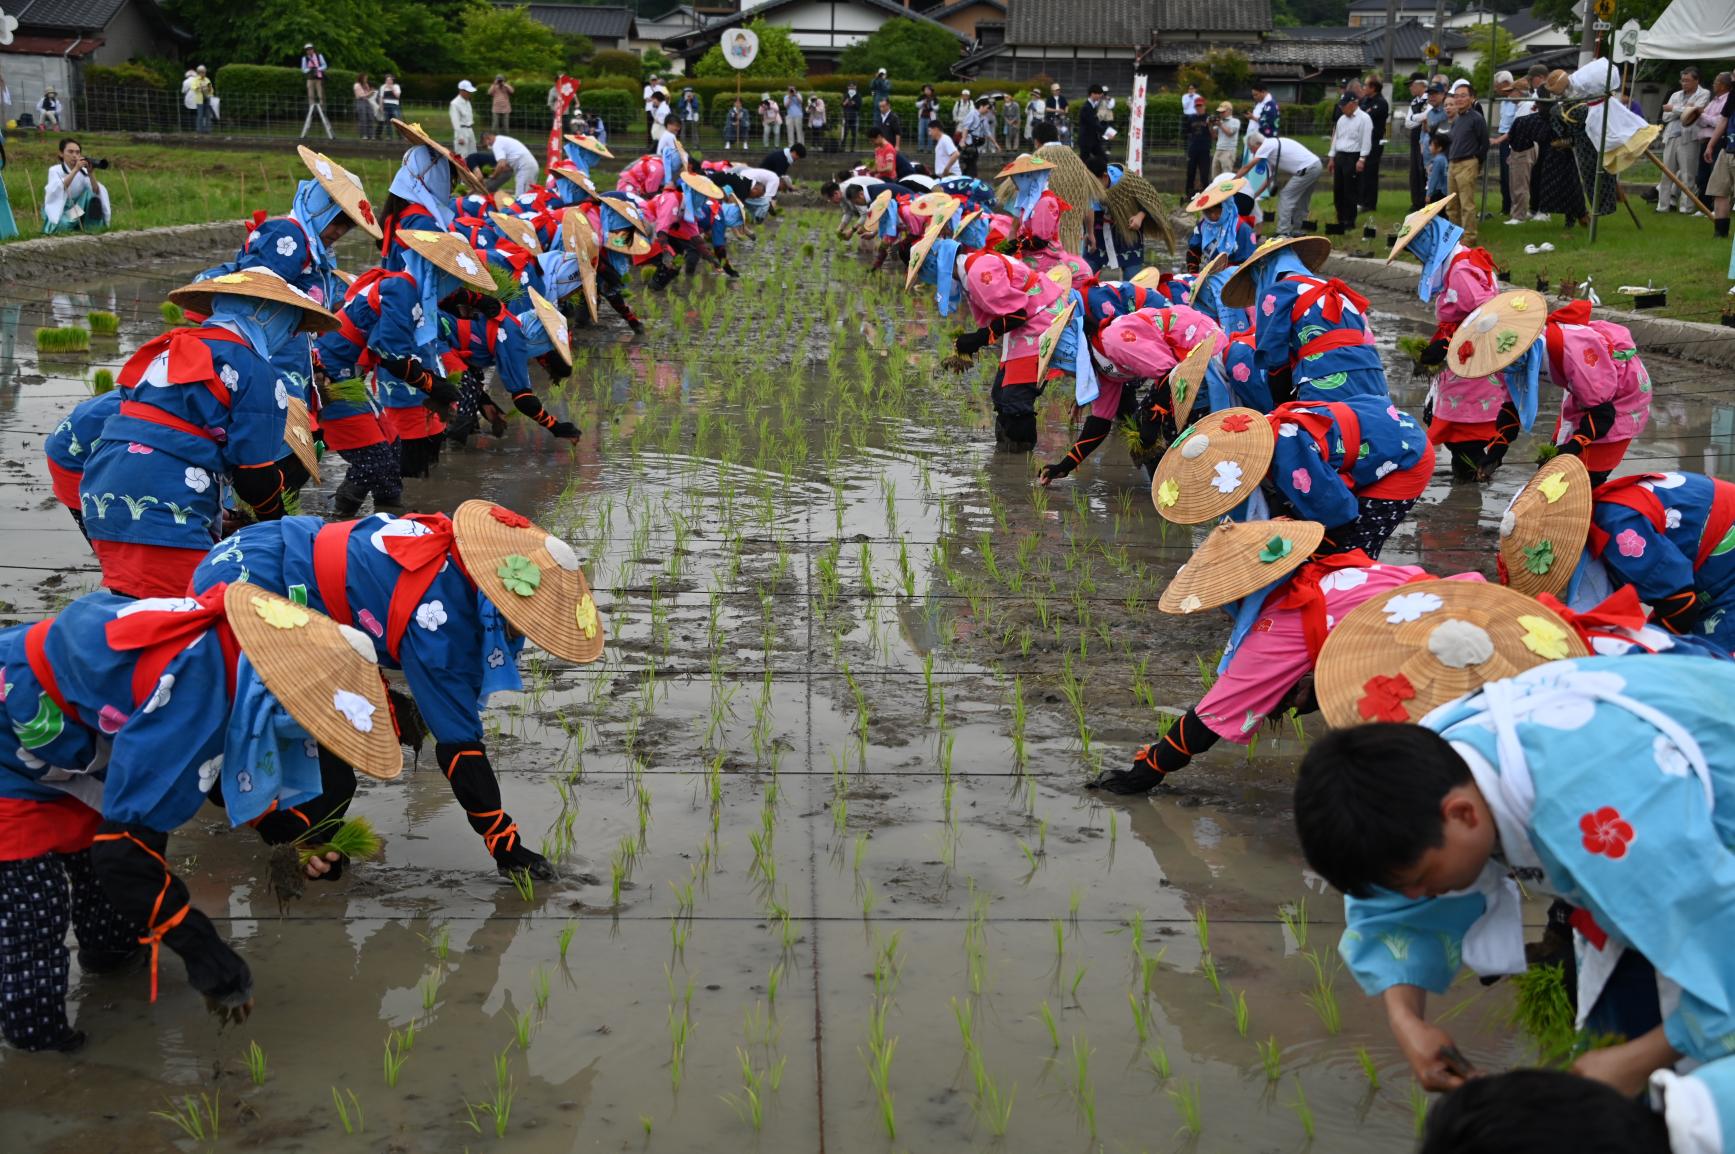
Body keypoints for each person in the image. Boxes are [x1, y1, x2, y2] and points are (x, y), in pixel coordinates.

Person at [1294, 651, 1735, 1097]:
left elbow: (1723, 941)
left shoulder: (1604, 817)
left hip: (1698, 852)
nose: (1416, 896)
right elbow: (1389, 901)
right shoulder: (1422, 766)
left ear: (1463, 814)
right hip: (1658, 860)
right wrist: (1406, 1019)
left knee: (1699, 1094)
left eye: (1421, 879)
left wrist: (1637, 1062)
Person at [0, 583, 399, 1047]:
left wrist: (291, 838)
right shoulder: (197, 692)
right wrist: (202, 949)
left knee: (106, 901)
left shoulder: (239, 657)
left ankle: (111, 968)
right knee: (34, 907)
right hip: (15, 726)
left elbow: (201, 773)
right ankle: (47, 1060)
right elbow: (125, 857)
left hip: (77, 741)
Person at [190, 501, 603, 892]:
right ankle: (250, 807)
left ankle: (231, 780)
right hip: (261, 593)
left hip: (254, 545)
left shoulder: (453, 552)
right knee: (328, 784)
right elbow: (461, 749)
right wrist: (505, 845)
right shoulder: (441, 629)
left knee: (336, 741)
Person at [1090, 520, 1462, 795]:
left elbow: (1211, 716)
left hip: (1437, 649)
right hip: (1465, 604)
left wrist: (1149, 768)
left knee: (1435, 753)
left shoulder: (1281, 623)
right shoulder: (1337, 569)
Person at [77, 270, 335, 597]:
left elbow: (154, 428)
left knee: (132, 605)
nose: (292, 336)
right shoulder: (256, 370)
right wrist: (274, 525)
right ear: (266, 314)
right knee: (182, 618)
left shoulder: (165, 348)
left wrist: (216, 510)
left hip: (103, 487)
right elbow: (254, 476)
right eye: (292, 326)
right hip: (165, 497)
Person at [1236, 130, 1322, 237]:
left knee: (1286, 195)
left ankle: (1283, 232)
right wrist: (1254, 195)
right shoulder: (1272, 150)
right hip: (1315, 165)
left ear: (1258, 144)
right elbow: (1269, 179)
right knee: (1302, 200)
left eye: (1251, 149)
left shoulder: (1266, 145)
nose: (1253, 153)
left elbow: (1247, 167)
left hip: (1308, 168)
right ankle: (1297, 230)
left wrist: (1233, 180)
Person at [1657, 68, 1710, 213]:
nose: (1684, 83)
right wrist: (1684, 110)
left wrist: (1674, 108)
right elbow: (1665, 117)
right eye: (1682, 80)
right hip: (1672, 136)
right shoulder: (1675, 94)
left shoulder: (1704, 93)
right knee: (1666, 173)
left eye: (1687, 80)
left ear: (1696, 80)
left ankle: (1686, 208)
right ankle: (1662, 206)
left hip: (1689, 138)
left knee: (1688, 174)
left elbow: (1694, 112)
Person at [41, 138, 110, 234]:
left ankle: (92, 226)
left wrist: (90, 174)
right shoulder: (55, 170)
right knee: (62, 225)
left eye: (77, 153)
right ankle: (74, 225)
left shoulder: (83, 172)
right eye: (70, 152)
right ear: (61, 154)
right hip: (61, 209)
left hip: (78, 209)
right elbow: (60, 188)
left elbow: (96, 191)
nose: (74, 155)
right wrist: (76, 169)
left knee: (90, 194)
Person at [1446, 85, 1487, 244]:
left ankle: (1470, 237)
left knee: (1466, 204)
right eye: (1456, 96)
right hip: (1453, 164)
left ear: (1471, 98)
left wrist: (1476, 163)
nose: (1459, 99)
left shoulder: (1477, 118)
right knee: (1451, 205)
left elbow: (1484, 144)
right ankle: (1454, 237)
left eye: (1463, 95)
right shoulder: (1457, 119)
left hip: (1468, 163)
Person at [1327, 93, 1373, 230]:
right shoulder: (1341, 119)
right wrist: (1331, 157)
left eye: (1344, 106)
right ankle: (1340, 218)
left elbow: (1366, 139)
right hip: (1340, 155)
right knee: (1338, 189)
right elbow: (1336, 138)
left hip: (1353, 155)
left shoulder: (1364, 119)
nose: (1342, 109)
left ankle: (1349, 220)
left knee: (1350, 189)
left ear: (1353, 104)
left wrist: (1362, 158)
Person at [1504, 79, 1538, 223]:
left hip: (1522, 149)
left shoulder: (1525, 107)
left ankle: (1518, 216)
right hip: (1525, 148)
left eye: (1511, 91)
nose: (1508, 95)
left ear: (1519, 92)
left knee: (1519, 183)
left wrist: (1502, 142)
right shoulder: (1527, 106)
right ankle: (1523, 211)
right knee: (1522, 182)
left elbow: (1517, 132)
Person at [1703, 95, 1735, 238]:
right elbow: (1724, 120)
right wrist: (1711, 145)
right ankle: (1720, 233)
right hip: (1727, 149)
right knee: (1719, 190)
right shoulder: (1733, 95)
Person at [1698, 72, 1731, 202]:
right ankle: (1703, 204)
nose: (1713, 85)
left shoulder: (1728, 100)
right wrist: (1704, 117)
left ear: (1723, 85)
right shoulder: (1714, 100)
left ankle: (1714, 205)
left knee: (1715, 174)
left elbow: (1719, 122)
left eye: (1716, 82)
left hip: (1718, 141)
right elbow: (1700, 121)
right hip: (1706, 140)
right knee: (1702, 175)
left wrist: (1703, 116)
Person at [1359, 76, 1389, 212]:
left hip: (1374, 142)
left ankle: (1370, 204)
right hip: (1362, 142)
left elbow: (1366, 117)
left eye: (1366, 85)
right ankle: (1360, 200)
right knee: (1361, 173)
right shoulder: (1365, 101)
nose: (1363, 88)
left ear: (1373, 88)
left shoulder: (1381, 103)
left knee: (1370, 172)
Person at [482, 131, 538, 195]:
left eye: (487, 144)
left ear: (488, 138)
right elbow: (507, 167)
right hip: (529, 165)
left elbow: (501, 165)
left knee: (521, 196)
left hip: (525, 167)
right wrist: (495, 170)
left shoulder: (496, 144)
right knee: (528, 195)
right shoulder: (501, 140)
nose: (489, 147)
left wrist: (493, 176)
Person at [1403, 77, 1429, 210]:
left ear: (1421, 85)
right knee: (1414, 171)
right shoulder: (1414, 102)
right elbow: (1408, 123)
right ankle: (1416, 201)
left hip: (1425, 138)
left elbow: (1427, 116)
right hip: (1414, 138)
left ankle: (1426, 201)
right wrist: (1417, 118)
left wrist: (1415, 118)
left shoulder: (1428, 99)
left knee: (1424, 170)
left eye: (1412, 85)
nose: (1410, 88)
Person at [1077, 84, 1108, 165]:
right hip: (1086, 140)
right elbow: (1093, 123)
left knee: (1103, 158)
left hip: (1093, 140)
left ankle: (1096, 176)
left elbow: (1096, 122)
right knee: (1084, 163)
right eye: (1098, 94)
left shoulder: (1092, 106)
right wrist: (1106, 132)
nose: (1100, 96)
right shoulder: (1086, 107)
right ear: (1092, 94)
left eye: (1101, 94)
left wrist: (1106, 131)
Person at [1184, 114, 1213, 198]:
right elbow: (1188, 132)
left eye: (1200, 106)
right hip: (1193, 149)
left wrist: (1210, 124)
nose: (1199, 108)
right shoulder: (1191, 118)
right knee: (1190, 172)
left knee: (1204, 173)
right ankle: (1189, 193)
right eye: (1197, 106)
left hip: (1204, 149)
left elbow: (1212, 133)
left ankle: (1205, 193)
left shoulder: (1208, 118)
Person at [1212, 102, 1240, 176]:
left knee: (1226, 176)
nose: (1221, 113)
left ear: (1230, 111)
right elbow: (1214, 137)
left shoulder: (1235, 121)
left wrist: (1220, 125)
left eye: (1223, 111)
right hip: (1218, 149)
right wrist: (1210, 125)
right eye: (1220, 112)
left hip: (1229, 151)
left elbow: (1230, 133)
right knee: (1215, 175)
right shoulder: (1219, 121)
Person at [451, 80, 477, 155]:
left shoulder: (467, 102)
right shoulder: (455, 103)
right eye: (468, 91)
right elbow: (455, 121)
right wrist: (460, 137)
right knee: (463, 155)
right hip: (461, 131)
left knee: (473, 154)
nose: (470, 93)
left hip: (470, 129)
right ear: (461, 91)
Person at [300, 43, 327, 108]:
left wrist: (317, 69)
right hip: (310, 78)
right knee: (310, 95)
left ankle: (322, 109)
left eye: (310, 49)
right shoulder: (304, 58)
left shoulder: (319, 56)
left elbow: (325, 65)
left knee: (320, 94)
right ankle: (311, 109)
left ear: (313, 49)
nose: (309, 51)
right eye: (307, 50)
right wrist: (310, 70)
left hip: (319, 77)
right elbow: (303, 69)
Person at [1426, 131, 1450, 200]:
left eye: (1431, 145)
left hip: (1438, 192)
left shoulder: (1438, 160)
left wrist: (1429, 194)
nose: (1429, 147)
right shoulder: (1443, 158)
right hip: (1444, 192)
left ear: (1439, 148)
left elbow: (1434, 178)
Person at [353, 73, 376, 140]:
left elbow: (367, 95)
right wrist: (370, 93)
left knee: (370, 117)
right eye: (365, 78)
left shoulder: (366, 85)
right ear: (361, 78)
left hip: (366, 102)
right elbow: (361, 95)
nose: (366, 79)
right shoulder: (357, 85)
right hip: (360, 102)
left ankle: (371, 135)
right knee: (363, 119)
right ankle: (364, 135)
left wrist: (371, 92)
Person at [841, 83, 862, 151]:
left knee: (854, 134)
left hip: (854, 117)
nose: (851, 88)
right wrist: (845, 102)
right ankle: (842, 148)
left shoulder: (858, 96)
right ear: (848, 87)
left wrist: (854, 103)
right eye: (850, 87)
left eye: (853, 87)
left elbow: (859, 106)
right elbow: (842, 104)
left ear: (856, 87)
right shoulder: (846, 95)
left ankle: (852, 148)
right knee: (845, 133)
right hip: (846, 116)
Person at [180, 68, 199, 133]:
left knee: (188, 113)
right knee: (196, 114)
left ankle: (188, 127)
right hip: (197, 99)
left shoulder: (185, 82)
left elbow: (183, 91)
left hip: (188, 99)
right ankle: (196, 127)